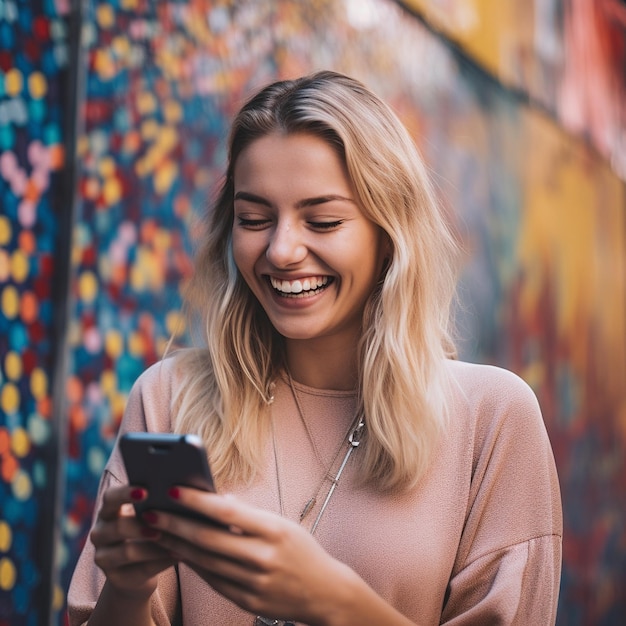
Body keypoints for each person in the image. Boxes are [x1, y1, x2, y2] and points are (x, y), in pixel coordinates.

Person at [67, 70, 562, 626]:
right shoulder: (169, 399)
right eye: (254, 219)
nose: (281, 250)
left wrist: (336, 603)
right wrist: (128, 589)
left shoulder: (491, 420)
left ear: (388, 230)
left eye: (322, 220)